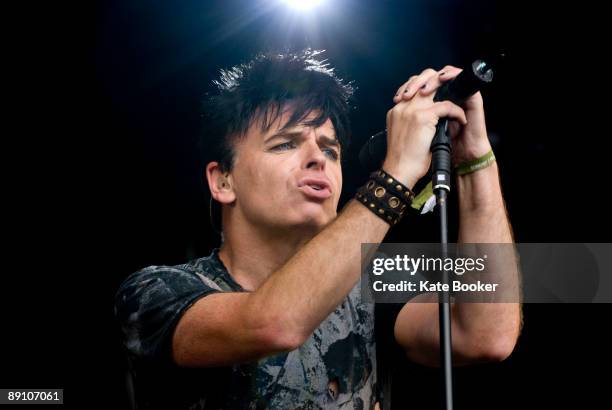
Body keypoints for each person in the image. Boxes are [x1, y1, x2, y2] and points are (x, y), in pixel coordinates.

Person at [115, 49, 522, 409]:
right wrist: (394, 177)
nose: (318, 159)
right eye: (285, 144)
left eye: (330, 149)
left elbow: (487, 335)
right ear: (223, 181)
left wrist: (475, 158)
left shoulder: (367, 283)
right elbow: (275, 322)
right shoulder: (154, 293)